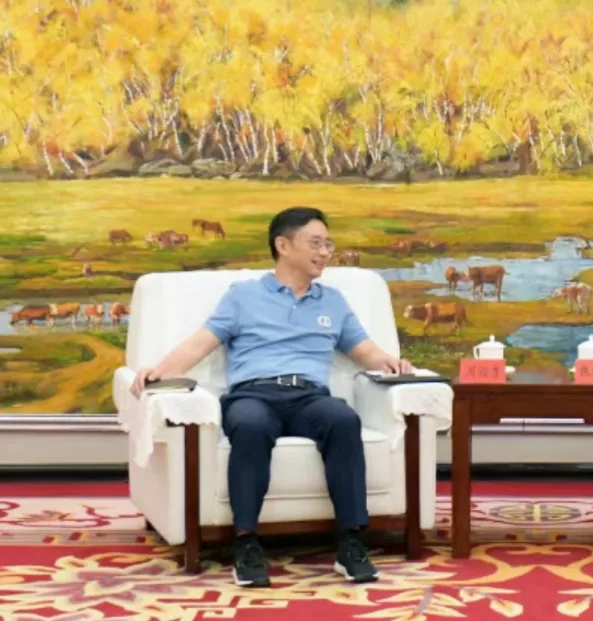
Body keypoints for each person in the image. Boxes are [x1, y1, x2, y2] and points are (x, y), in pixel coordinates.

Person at [130, 207, 413, 588]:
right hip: (254, 394)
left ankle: (351, 543)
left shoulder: (333, 301)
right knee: (250, 425)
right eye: (316, 243)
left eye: (328, 244)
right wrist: (159, 370)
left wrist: (393, 364)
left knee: (343, 420)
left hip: (309, 397)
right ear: (283, 245)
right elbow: (200, 343)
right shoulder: (243, 296)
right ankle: (246, 544)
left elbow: (366, 351)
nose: (325, 252)